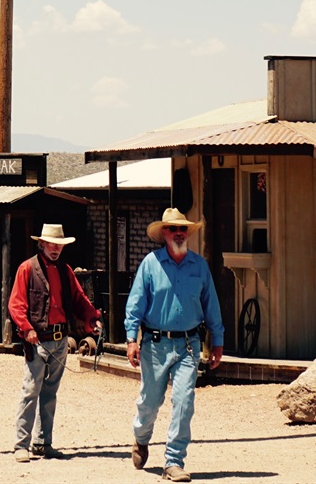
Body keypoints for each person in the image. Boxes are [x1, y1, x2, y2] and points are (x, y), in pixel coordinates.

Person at [125, 207, 224, 482]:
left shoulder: (200, 266)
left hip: (189, 345)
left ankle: (173, 461)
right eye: (172, 229)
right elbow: (135, 305)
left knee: (184, 401)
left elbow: (212, 306)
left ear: (187, 233)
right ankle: (141, 437)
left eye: (183, 229)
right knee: (150, 401)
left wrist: (218, 342)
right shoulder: (150, 264)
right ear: (164, 234)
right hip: (155, 345)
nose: (178, 233)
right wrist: (132, 339)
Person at [7, 223, 102, 463]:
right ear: (41, 244)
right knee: (30, 391)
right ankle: (21, 445)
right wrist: (26, 328)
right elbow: (16, 304)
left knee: (50, 394)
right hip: (37, 340)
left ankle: (42, 443)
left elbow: (80, 299)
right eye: (51, 244)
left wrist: (92, 318)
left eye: (59, 244)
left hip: (60, 340)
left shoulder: (65, 270)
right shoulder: (26, 269)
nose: (55, 248)